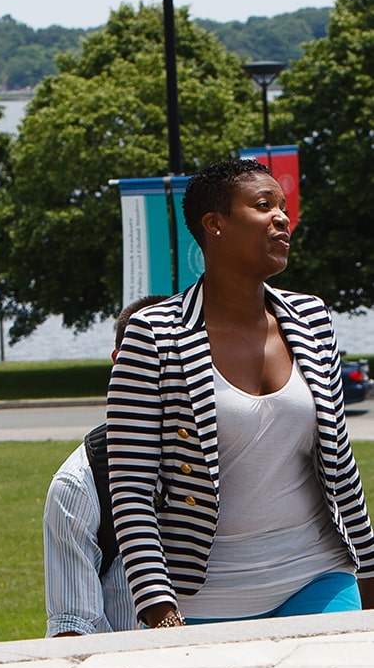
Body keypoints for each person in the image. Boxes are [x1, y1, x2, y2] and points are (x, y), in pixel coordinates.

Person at [107, 158, 374, 629]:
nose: (281, 218)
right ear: (215, 225)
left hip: (318, 574)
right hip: (206, 596)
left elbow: (340, 461)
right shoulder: (154, 335)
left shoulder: (312, 320)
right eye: (263, 205)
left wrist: (370, 570)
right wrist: (157, 604)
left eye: (284, 207)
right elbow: (131, 486)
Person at [43, 295, 166, 637]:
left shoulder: (233, 457)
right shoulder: (78, 487)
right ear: (118, 362)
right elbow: (73, 629)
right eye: (148, 361)